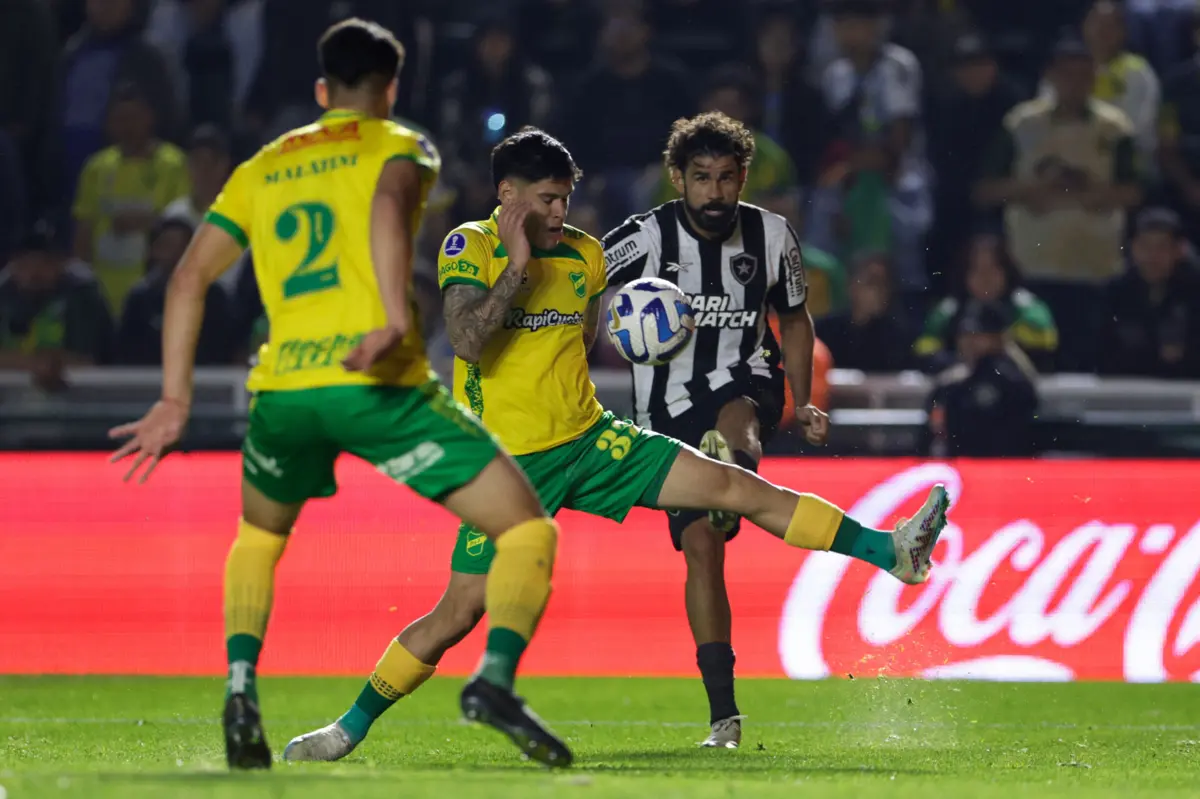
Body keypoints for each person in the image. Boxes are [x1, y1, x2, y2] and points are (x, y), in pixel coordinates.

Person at [284, 127, 950, 763]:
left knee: (733, 487)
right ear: (507, 196)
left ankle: (890, 552)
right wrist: (518, 268)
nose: (560, 212)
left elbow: (581, 339)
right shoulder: (471, 245)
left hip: (590, 438)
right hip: (507, 465)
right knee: (458, 612)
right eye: (547, 199)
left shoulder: (585, 254)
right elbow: (466, 340)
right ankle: (348, 728)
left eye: (565, 199)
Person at [107, 19, 573, 771]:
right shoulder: (400, 145)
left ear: (323, 90)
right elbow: (388, 207)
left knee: (259, 539)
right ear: (391, 88)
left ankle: (240, 688)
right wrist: (392, 315)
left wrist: (174, 400)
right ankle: (493, 680)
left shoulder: (264, 165)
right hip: (374, 381)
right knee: (527, 532)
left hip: (284, 388)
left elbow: (188, 277)